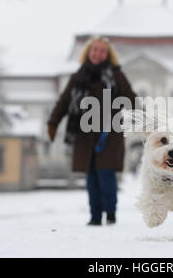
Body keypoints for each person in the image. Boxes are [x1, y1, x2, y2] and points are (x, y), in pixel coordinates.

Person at [47, 36, 137, 226]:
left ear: (108, 54)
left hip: (109, 132)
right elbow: (64, 101)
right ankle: (95, 216)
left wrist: (145, 117)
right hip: (85, 133)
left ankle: (111, 214)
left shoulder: (116, 75)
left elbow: (130, 97)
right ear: (88, 52)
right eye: (94, 49)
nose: (97, 53)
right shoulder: (78, 76)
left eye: (102, 50)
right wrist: (53, 123)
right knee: (91, 176)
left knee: (106, 174)